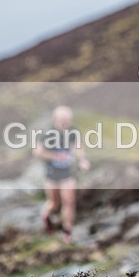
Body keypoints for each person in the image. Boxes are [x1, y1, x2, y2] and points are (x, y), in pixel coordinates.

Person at [33, 105, 90, 244]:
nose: (65, 122)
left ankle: (67, 233)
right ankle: (45, 216)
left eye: (68, 119)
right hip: (51, 174)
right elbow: (37, 153)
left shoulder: (72, 132)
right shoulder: (48, 134)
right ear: (56, 119)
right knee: (54, 203)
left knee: (69, 202)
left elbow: (78, 147)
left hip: (67, 173)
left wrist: (82, 160)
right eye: (62, 119)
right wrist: (56, 157)